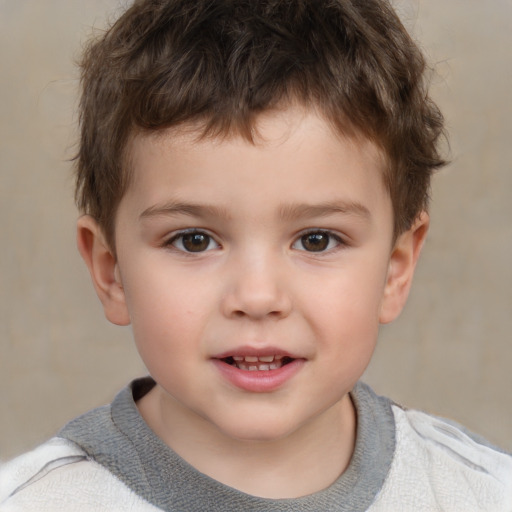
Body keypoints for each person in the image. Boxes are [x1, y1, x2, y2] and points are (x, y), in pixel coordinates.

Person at [1, 0, 511, 510]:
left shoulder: (481, 493)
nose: (258, 296)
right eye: (194, 240)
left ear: (394, 271)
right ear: (111, 272)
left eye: (317, 240)